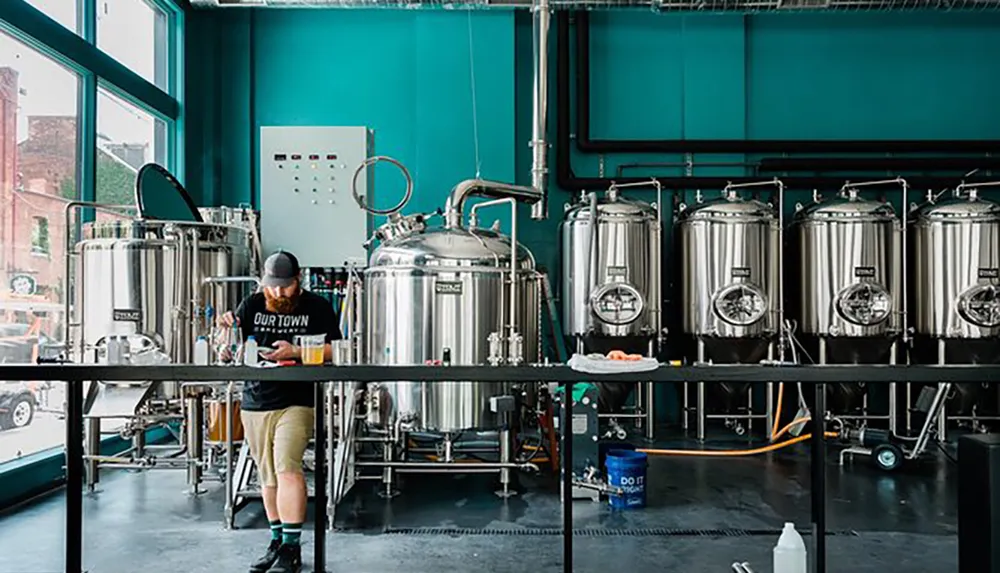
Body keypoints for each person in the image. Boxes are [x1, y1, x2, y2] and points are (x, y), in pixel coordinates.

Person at [219, 250, 341, 573]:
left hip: (297, 400)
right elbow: (231, 348)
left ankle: (291, 548)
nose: (277, 293)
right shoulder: (253, 304)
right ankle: (276, 540)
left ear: (296, 281)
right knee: (267, 475)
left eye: (284, 287)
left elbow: (337, 349)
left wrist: (297, 352)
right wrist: (225, 329)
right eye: (272, 287)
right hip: (256, 401)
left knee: (288, 467)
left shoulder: (317, 307)